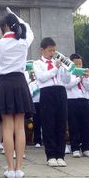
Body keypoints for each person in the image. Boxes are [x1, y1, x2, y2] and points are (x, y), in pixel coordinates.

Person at [0, 7, 34, 178]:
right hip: (20, 83)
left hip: (5, 83)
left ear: (4, 27)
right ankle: (19, 168)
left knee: (7, 126)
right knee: (19, 126)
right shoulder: (23, 42)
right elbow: (29, 28)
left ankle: (10, 168)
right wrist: (17, 17)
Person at [33, 37, 70, 168]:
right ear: (42, 50)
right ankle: (51, 156)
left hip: (60, 91)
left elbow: (66, 80)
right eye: (50, 51)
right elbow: (42, 78)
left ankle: (60, 155)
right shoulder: (37, 63)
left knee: (61, 123)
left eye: (54, 50)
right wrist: (55, 68)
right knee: (48, 124)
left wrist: (65, 68)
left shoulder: (58, 62)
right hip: (47, 93)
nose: (52, 53)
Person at [65, 54, 89, 158]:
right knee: (74, 125)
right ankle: (75, 148)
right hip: (72, 100)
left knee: (86, 125)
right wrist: (78, 78)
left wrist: (85, 78)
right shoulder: (68, 73)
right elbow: (67, 85)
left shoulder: (85, 74)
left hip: (85, 100)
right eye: (76, 64)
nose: (78, 65)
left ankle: (86, 148)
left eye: (80, 63)